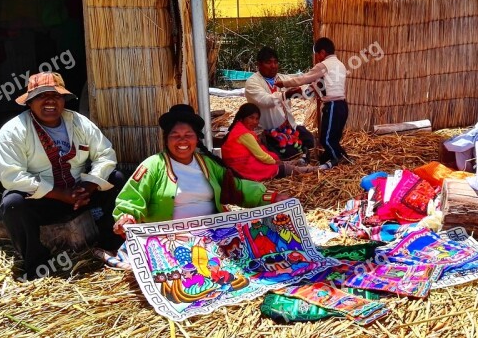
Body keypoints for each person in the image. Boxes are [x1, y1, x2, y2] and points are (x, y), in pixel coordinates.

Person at [109, 104, 288, 269]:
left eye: (188, 135)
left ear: (197, 139)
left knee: (264, 248)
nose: (182, 141)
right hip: (172, 239)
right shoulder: (153, 165)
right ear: (166, 139)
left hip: (213, 234)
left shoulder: (207, 164)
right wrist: (127, 216)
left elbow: (237, 187)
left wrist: (269, 197)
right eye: (175, 135)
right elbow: (132, 197)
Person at [0, 71, 125, 281]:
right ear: (29, 102)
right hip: (43, 200)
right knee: (12, 203)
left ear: (63, 99)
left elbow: (105, 155)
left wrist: (89, 186)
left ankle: (109, 244)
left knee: (116, 178)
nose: (49, 101)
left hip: (79, 195)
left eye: (55, 96)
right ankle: (36, 264)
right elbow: (12, 176)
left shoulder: (79, 122)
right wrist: (58, 194)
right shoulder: (13, 131)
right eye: (40, 96)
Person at [276, 37, 349, 167]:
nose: (317, 58)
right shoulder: (340, 65)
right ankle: (329, 158)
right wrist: (304, 92)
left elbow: (303, 79)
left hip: (333, 106)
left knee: (326, 140)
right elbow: (321, 85)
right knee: (334, 138)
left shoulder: (323, 65)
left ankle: (340, 160)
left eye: (317, 55)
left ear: (322, 52)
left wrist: (284, 83)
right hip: (343, 105)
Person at [221, 103, 326, 181]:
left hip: (239, 166)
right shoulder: (244, 134)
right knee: (280, 167)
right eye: (251, 118)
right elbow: (261, 156)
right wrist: (275, 162)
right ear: (242, 118)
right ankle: (315, 169)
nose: (254, 122)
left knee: (279, 162)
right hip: (242, 168)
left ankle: (298, 163)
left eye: (257, 119)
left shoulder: (238, 129)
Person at [244, 46, 316, 161]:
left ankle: (303, 153)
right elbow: (266, 100)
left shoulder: (282, 78)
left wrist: (313, 87)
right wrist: (287, 94)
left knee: (309, 139)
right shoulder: (252, 82)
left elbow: (300, 85)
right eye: (268, 62)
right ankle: (298, 154)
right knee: (288, 152)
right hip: (269, 131)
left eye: (275, 62)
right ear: (259, 64)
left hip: (289, 128)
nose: (273, 66)